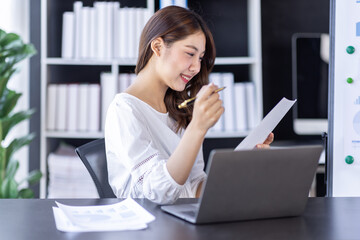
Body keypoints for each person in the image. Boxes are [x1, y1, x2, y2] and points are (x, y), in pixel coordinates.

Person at [105, 6, 273, 205]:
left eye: (200, 58)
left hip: (181, 222)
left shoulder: (178, 107)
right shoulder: (124, 109)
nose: (196, 67)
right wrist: (197, 128)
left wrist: (243, 166)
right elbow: (157, 193)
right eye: (190, 54)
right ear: (157, 47)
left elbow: (194, 186)